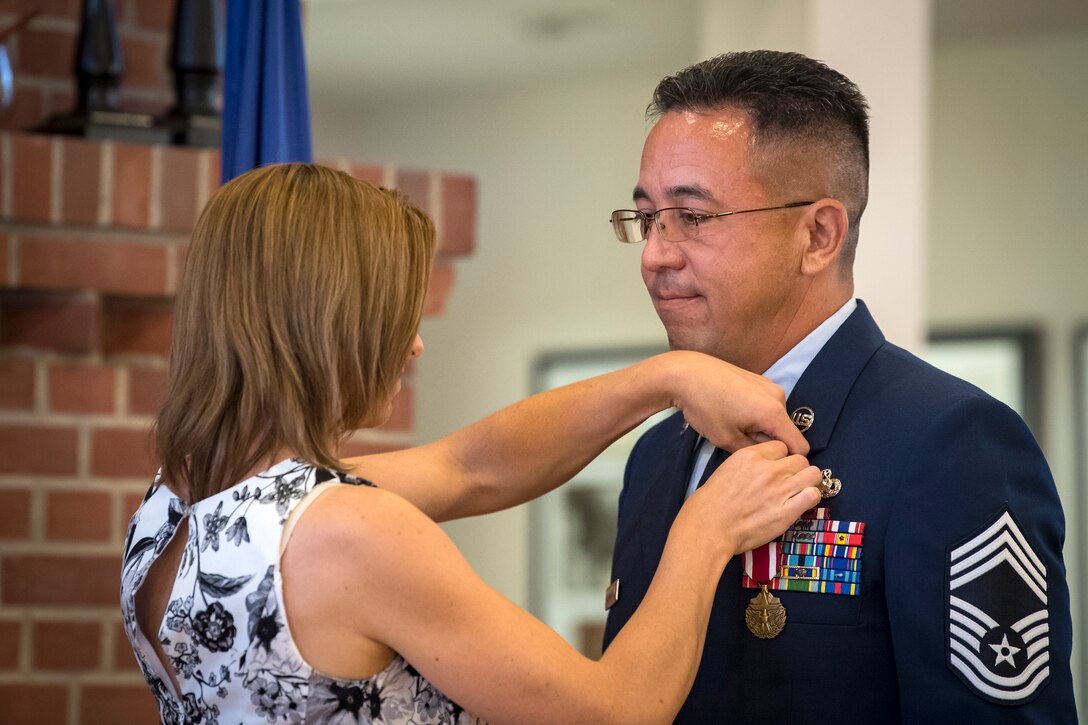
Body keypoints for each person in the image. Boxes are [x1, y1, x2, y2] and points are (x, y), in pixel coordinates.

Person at [121, 162, 824, 724]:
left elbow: (470, 467)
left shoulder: (177, 501)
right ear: (328, 323)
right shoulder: (351, 533)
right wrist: (704, 531)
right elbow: (614, 710)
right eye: (396, 316)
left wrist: (666, 378)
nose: (415, 344)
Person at [601, 49, 1078, 723]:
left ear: (819, 235)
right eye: (647, 218)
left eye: (693, 218)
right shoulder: (657, 452)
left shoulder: (949, 443)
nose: (655, 254)